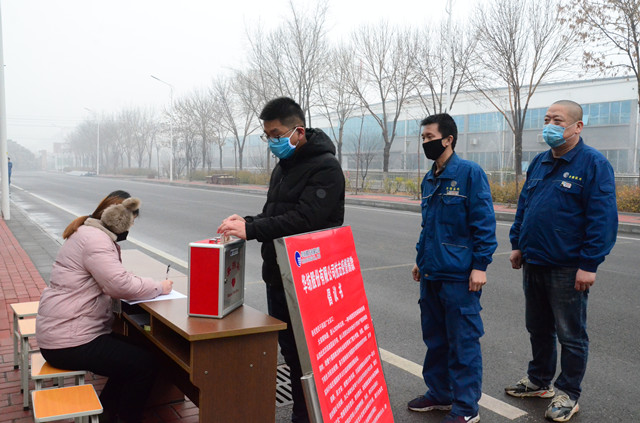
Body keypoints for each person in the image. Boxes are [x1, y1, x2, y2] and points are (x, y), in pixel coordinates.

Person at [217, 97, 345, 423]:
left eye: (276, 135)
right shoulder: (284, 167)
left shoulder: (326, 168)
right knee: (290, 350)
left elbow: (305, 220)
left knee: (310, 355)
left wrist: (252, 229)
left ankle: (310, 416)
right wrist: (246, 222)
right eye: (267, 136)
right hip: (279, 273)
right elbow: (275, 214)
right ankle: (304, 413)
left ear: (298, 131)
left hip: (308, 277)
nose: (272, 142)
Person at [505, 100, 618, 422]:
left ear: (577, 126)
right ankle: (539, 381)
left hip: (568, 267)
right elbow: (525, 206)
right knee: (538, 327)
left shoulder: (593, 164)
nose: (550, 126)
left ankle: (569, 393)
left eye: (557, 120)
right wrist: (517, 244)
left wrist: (589, 265)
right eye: (546, 119)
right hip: (535, 261)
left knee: (571, 334)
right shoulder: (540, 162)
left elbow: (602, 219)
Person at [36, 190, 174, 423]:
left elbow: (113, 277)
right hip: (69, 341)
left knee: (139, 354)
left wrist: (134, 281)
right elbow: (119, 285)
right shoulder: (96, 240)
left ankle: (107, 413)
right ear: (118, 218)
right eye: (131, 222)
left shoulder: (87, 232)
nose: (130, 227)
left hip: (65, 331)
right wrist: (160, 287)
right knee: (144, 364)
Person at [408, 113, 497, 423]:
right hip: (432, 273)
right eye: (423, 138)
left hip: (459, 277)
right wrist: (420, 259)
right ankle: (440, 394)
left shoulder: (470, 173)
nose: (425, 142)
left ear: (448, 139)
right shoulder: (430, 178)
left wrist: (480, 265)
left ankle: (466, 409)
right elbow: (428, 226)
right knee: (435, 340)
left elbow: (483, 223)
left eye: (430, 137)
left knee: (463, 343)